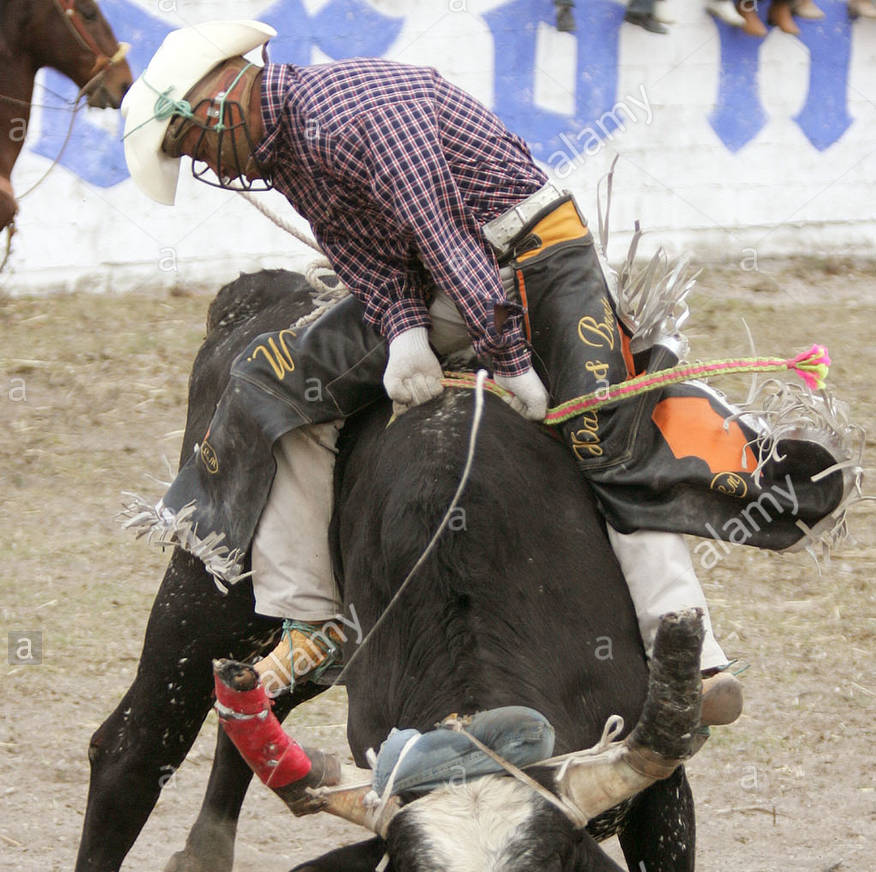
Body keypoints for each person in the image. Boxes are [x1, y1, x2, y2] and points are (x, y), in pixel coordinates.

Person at [122, 21, 853, 735]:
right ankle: (312, 619)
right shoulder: (288, 154)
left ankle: (686, 645)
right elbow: (365, 254)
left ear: (222, 101)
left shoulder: (357, 113)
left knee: (605, 435)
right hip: (440, 283)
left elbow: (447, 241)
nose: (208, 163)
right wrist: (405, 331)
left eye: (195, 143)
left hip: (535, 261)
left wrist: (508, 360)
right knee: (268, 380)